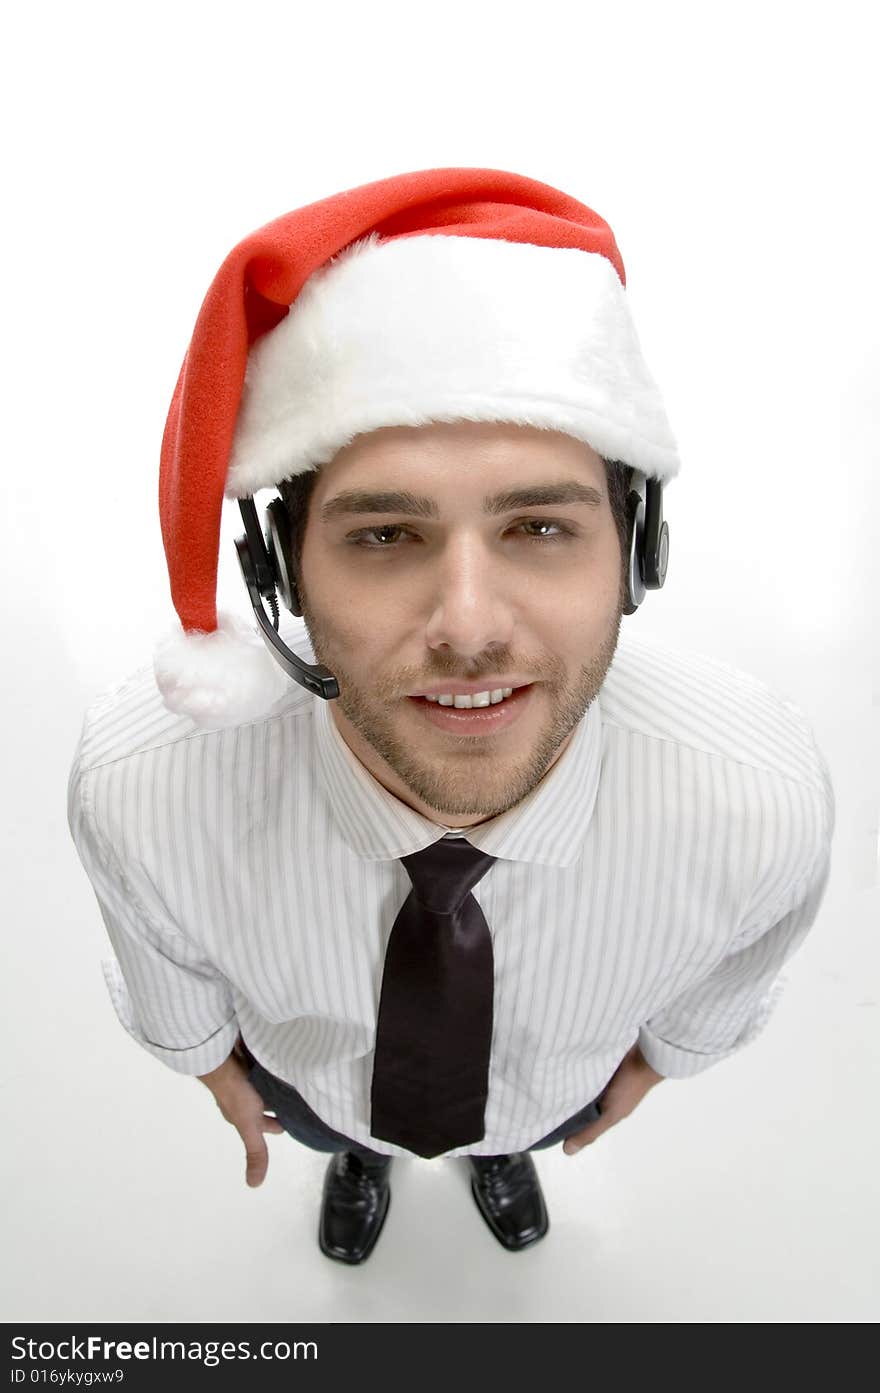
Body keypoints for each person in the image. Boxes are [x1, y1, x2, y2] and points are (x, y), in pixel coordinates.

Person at [67, 167, 835, 1266]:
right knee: (344, 1123)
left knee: (511, 1119)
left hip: (553, 1087)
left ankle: (498, 1149)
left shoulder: (761, 796)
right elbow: (164, 965)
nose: (468, 628)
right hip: (315, 1085)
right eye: (384, 536)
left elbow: (734, 969)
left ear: (637, 555)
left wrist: (657, 1063)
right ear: (282, 573)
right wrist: (211, 1068)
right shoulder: (136, 785)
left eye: (538, 527)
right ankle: (362, 1157)